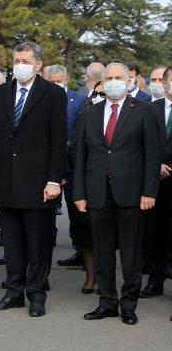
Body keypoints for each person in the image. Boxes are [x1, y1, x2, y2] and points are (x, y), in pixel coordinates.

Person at [0, 41, 66, 318]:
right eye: (16, 61)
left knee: (38, 242)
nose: (20, 66)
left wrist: (53, 180)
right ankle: (14, 292)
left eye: (26, 61)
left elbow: (58, 140)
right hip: (6, 180)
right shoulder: (2, 92)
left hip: (39, 183)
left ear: (38, 64)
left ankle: (37, 294)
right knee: (12, 241)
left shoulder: (52, 93)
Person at [74, 62, 160, 324]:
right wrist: (79, 194)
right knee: (102, 250)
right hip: (98, 192)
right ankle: (107, 302)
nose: (113, 82)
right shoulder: (90, 113)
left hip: (132, 193)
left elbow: (152, 156)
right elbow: (81, 157)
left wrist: (149, 192)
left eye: (118, 77)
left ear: (129, 81)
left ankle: (129, 304)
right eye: (108, 78)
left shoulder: (143, 111)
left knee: (131, 252)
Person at [45, 64, 88, 265]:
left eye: (59, 81)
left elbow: (80, 129)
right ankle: (45, 245)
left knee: (76, 211)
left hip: (71, 166)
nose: (55, 84)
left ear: (66, 79)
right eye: (51, 81)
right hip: (47, 165)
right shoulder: (41, 99)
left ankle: (80, 250)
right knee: (44, 211)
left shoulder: (79, 99)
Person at [66, 79, 104, 295]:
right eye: (95, 93)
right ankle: (90, 277)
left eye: (103, 94)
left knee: (105, 234)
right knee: (85, 232)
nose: (99, 97)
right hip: (84, 182)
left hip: (110, 183)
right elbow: (74, 147)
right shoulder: (85, 116)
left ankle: (105, 278)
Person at [140, 65, 172, 298]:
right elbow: (140, 143)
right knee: (154, 234)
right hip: (154, 183)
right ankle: (155, 281)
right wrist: (155, 166)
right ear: (166, 82)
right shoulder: (150, 109)